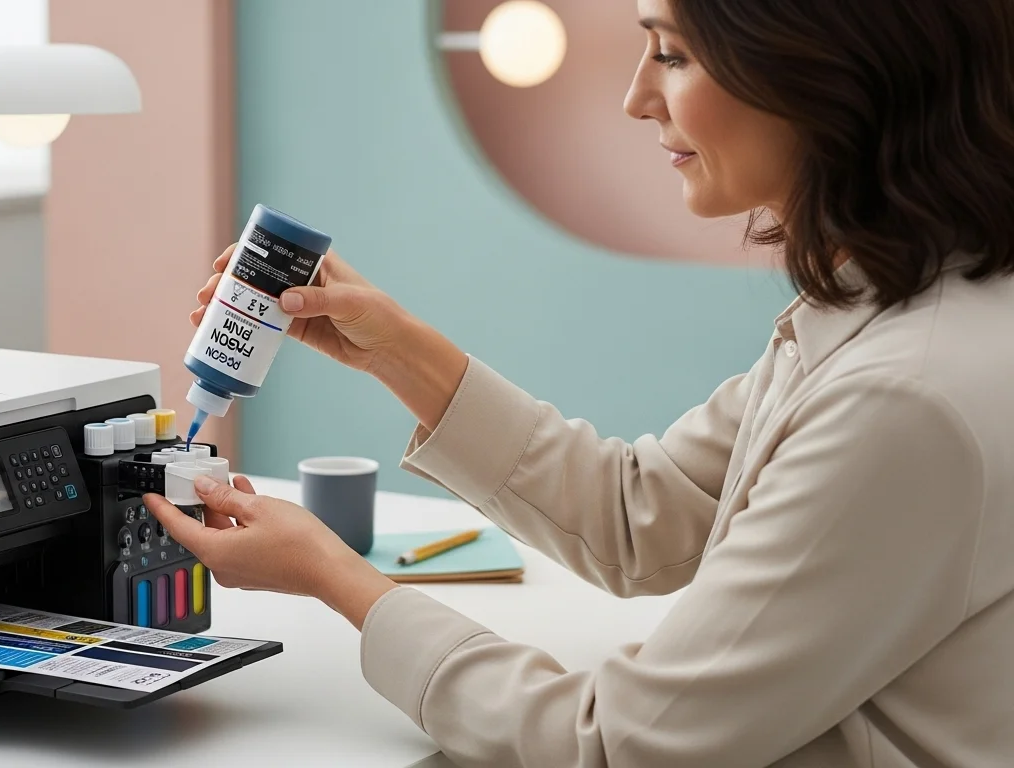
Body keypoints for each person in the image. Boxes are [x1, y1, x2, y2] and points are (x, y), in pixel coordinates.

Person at [145, 0, 1014, 764]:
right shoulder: (890, 312)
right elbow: (646, 516)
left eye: (671, 54)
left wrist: (334, 577)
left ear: (822, 70)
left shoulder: (902, 400)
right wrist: (395, 348)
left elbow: (614, 744)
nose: (637, 98)